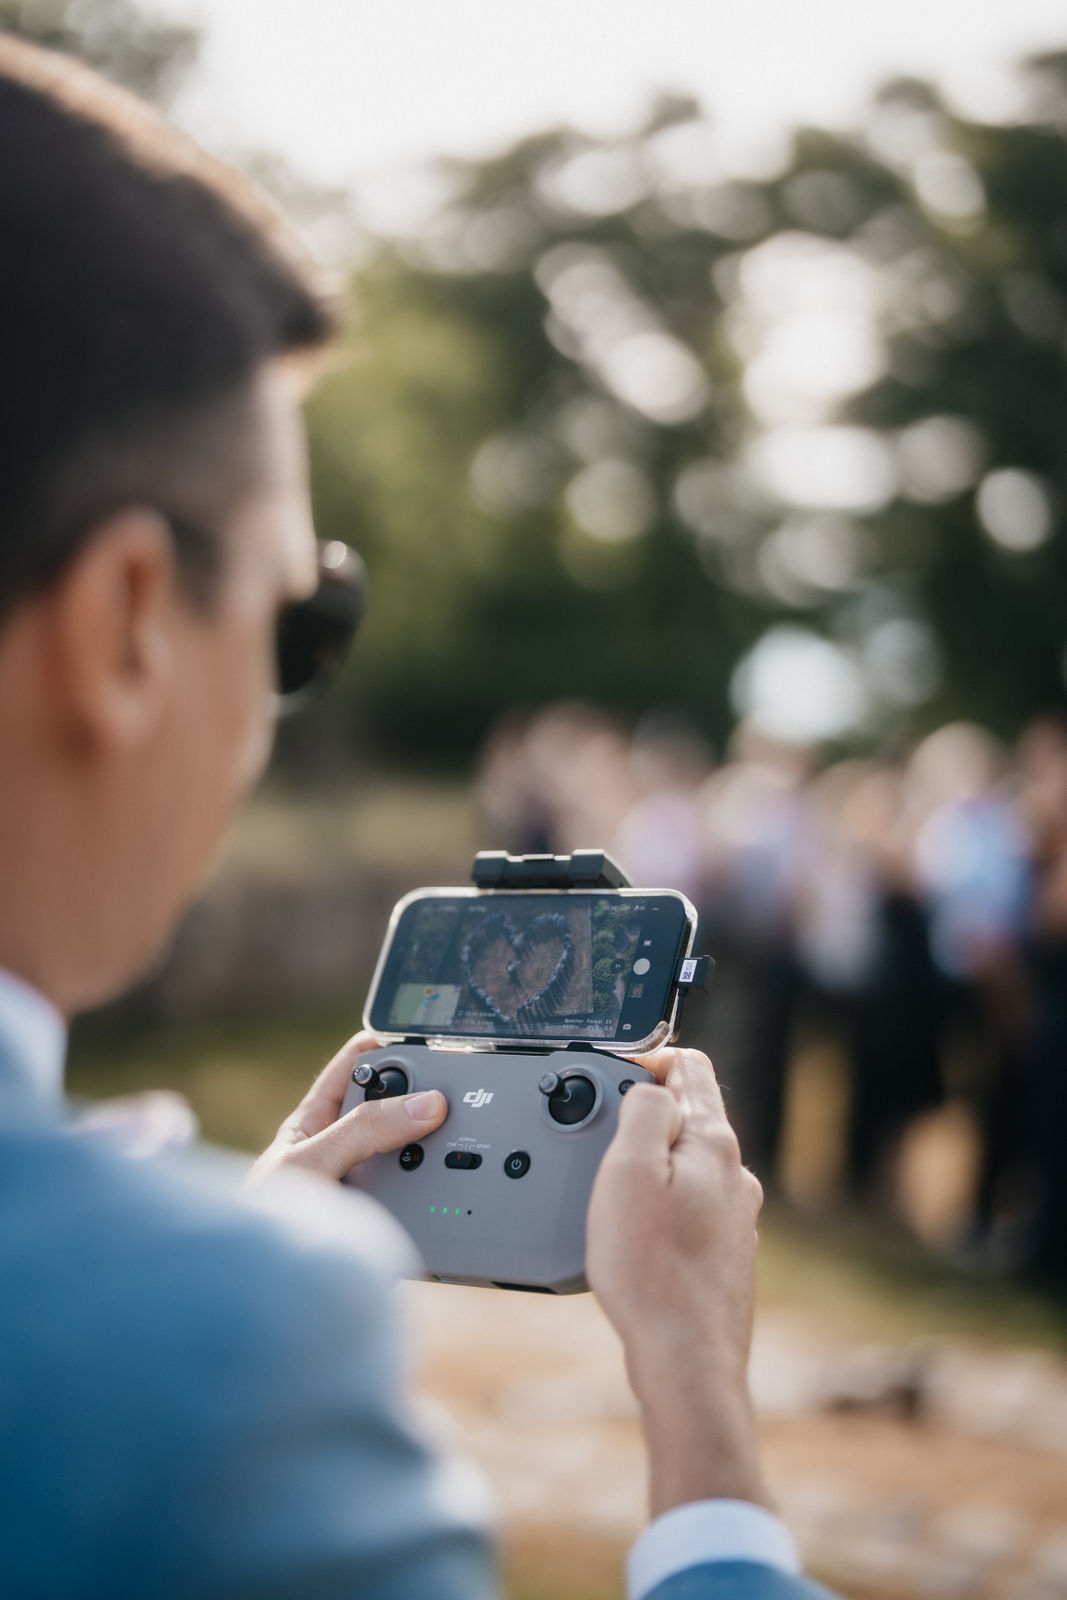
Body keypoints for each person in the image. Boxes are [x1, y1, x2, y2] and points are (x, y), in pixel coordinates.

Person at [0, 36, 833, 1599]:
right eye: (300, 621)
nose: (279, 693)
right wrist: (702, 1404)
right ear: (125, 623)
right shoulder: (209, 1353)